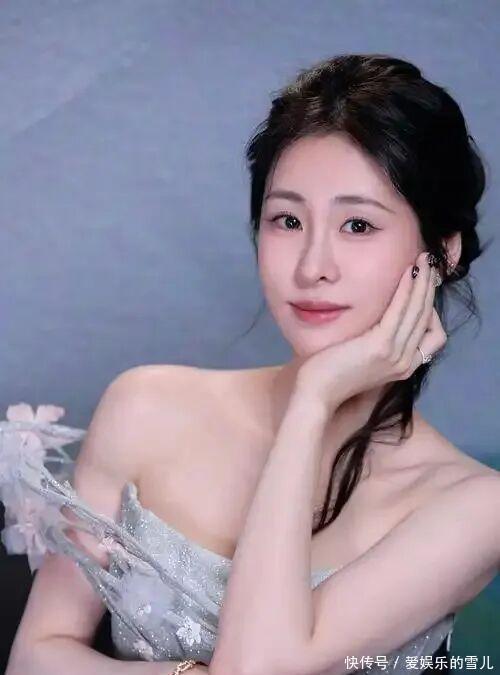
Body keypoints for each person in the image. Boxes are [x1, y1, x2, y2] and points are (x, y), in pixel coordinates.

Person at [1, 53, 499, 675]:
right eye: (287, 220)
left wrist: (312, 401)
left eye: (357, 225)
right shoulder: (147, 409)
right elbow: (35, 656)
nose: (312, 266)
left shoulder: (474, 507)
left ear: (441, 253)